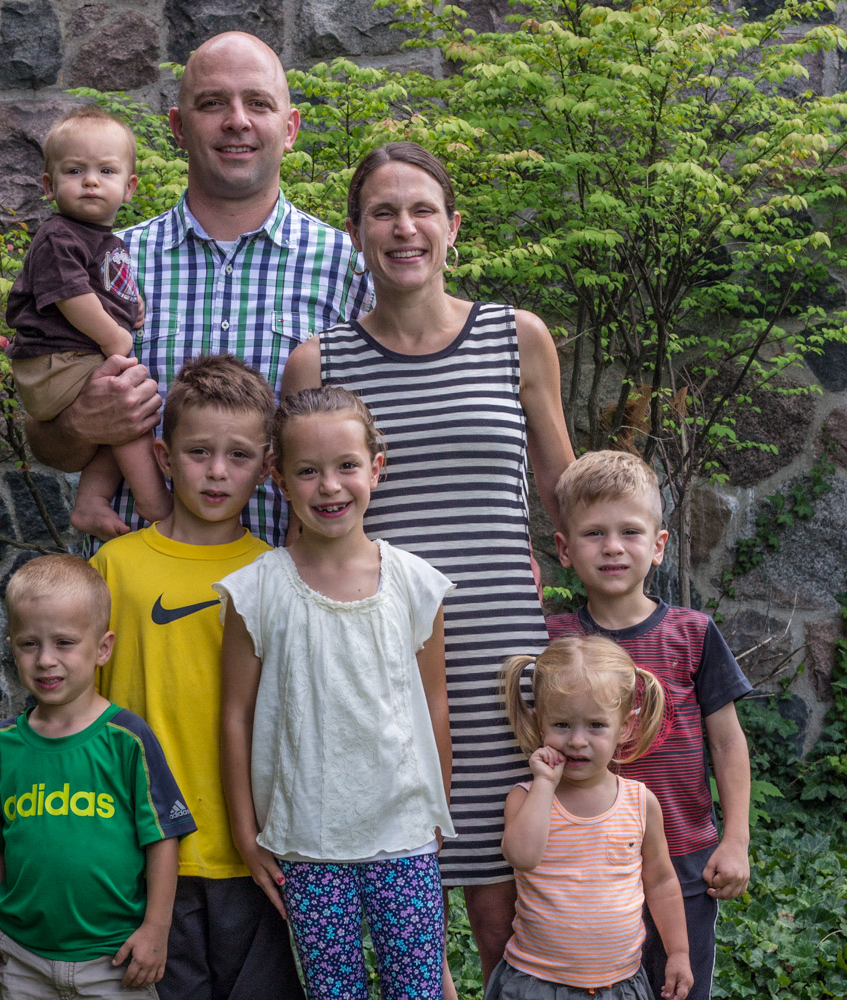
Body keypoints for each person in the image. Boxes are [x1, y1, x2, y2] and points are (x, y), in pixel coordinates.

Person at [281, 140, 576, 988]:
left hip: (502, 665)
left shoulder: (516, 337)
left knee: (504, 918)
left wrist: (602, 624)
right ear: (355, 231)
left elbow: (561, 488)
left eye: (421, 210)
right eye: (382, 211)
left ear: (452, 227)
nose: (403, 227)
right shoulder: (320, 361)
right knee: (405, 919)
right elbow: (302, 522)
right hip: (377, 671)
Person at [25, 32, 372, 547]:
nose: (237, 120)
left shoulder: (351, 268)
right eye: (213, 103)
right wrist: (80, 423)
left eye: (258, 103)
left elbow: (383, 446)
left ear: (290, 127)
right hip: (139, 601)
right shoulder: (106, 264)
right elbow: (45, 438)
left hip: (296, 596)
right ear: (178, 128)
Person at [218, 386, 455, 999]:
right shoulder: (257, 589)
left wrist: (435, 809)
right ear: (278, 478)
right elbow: (236, 715)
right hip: (304, 839)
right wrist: (248, 836)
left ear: (376, 467)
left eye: (347, 466)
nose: (329, 486)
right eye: (308, 471)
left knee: (420, 990)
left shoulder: (413, 582)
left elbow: (433, 705)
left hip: (403, 835)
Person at [90, 353, 304, 1000]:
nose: (216, 472)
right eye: (198, 452)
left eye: (239, 456)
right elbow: (83, 720)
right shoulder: (115, 567)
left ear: (267, 468)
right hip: (144, 862)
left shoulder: (279, 574)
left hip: (254, 856)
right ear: (162, 455)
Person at [546, 450, 752, 1000]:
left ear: (659, 547)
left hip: (685, 859)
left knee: (678, 985)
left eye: (630, 531)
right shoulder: (554, 643)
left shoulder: (694, 633)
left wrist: (736, 839)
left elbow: (728, 742)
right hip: (584, 860)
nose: (612, 547)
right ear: (565, 550)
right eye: (593, 533)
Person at [0, 554, 196, 998]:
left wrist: (156, 929)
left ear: (103, 647)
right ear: (12, 647)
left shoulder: (126, 739)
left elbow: (164, 838)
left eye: (65, 642)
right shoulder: (3, 746)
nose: (46, 660)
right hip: (22, 959)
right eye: (29, 644)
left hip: (112, 960)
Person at [493, 635, 694, 1000]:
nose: (577, 741)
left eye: (596, 725)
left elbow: (662, 882)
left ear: (626, 727)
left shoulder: (639, 802)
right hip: (536, 983)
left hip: (619, 986)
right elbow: (521, 856)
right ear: (540, 724)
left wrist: (678, 952)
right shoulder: (525, 798)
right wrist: (543, 784)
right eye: (562, 725)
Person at [6, 107, 172, 541]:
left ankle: (91, 503)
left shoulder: (105, 239)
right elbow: (70, 296)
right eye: (75, 170)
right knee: (131, 403)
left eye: (106, 170)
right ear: (49, 185)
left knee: (114, 422)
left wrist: (129, 307)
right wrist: (115, 334)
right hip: (55, 360)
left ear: (129, 187)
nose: (91, 181)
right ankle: (157, 505)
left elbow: (103, 287)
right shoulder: (59, 235)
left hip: (72, 357)